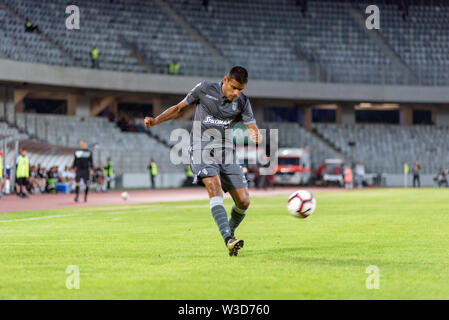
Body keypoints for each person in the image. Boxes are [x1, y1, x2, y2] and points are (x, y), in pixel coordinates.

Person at [144, 66, 262, 256]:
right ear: (225, 80)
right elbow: (179, 109)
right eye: (233, 87)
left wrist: (255, 134)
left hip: (226, 151)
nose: (236, 93)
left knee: (244, 202)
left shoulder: (242, 102)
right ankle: (228, 239)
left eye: (240, 89)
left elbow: (251, 125)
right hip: (201, 147)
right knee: (214, 186)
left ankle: (229, 232)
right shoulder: (204, 89)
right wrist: (156, 120)